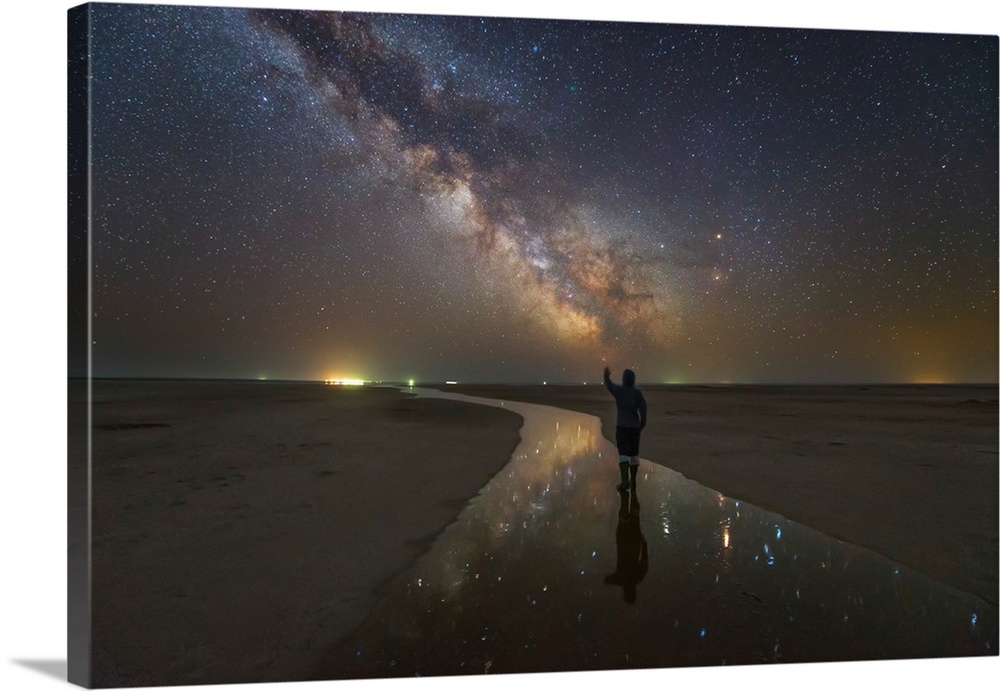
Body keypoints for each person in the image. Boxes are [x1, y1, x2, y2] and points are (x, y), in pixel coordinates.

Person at [603, 365, 647, 492]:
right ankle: (633, 481)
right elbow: (644, 410)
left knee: (623, 454)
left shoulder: (619, 391)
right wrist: (642, 424)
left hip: (622, 427)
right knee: (634, 455)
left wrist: (606, 376)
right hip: (634, 428)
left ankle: (624, 482)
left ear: (624, 379)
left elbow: (609, 385)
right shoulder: (638, 393)